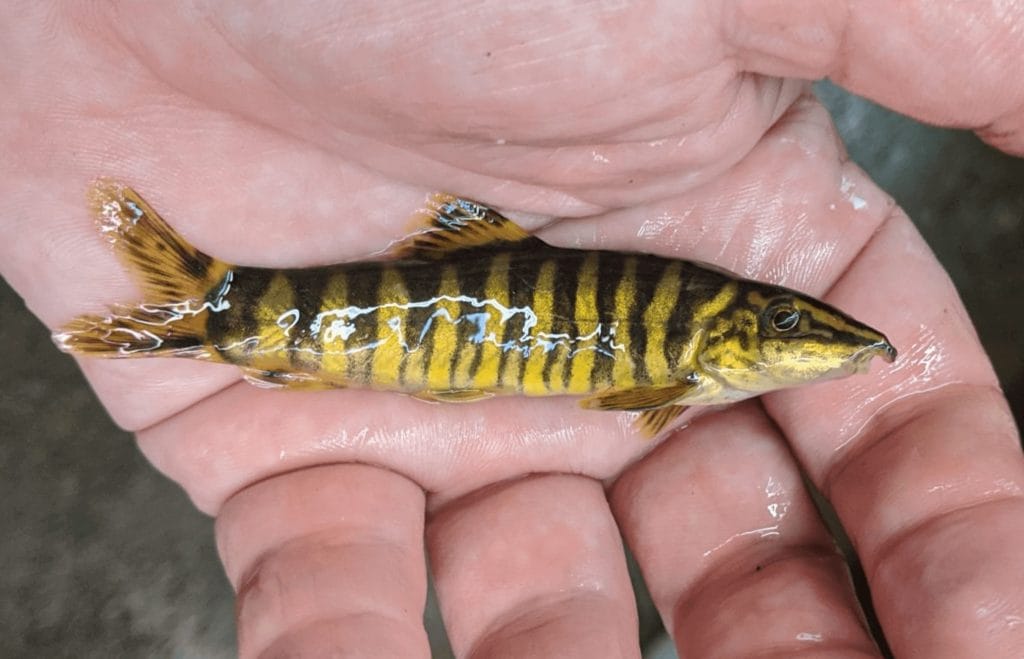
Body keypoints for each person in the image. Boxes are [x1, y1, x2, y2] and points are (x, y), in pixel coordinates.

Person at [2, 3, 1022, 657]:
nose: (828, 339)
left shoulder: (698, 360)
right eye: (793, 327)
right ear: (742, 338)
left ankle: (199, 311)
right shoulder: (696, 366)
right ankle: (203, 310)